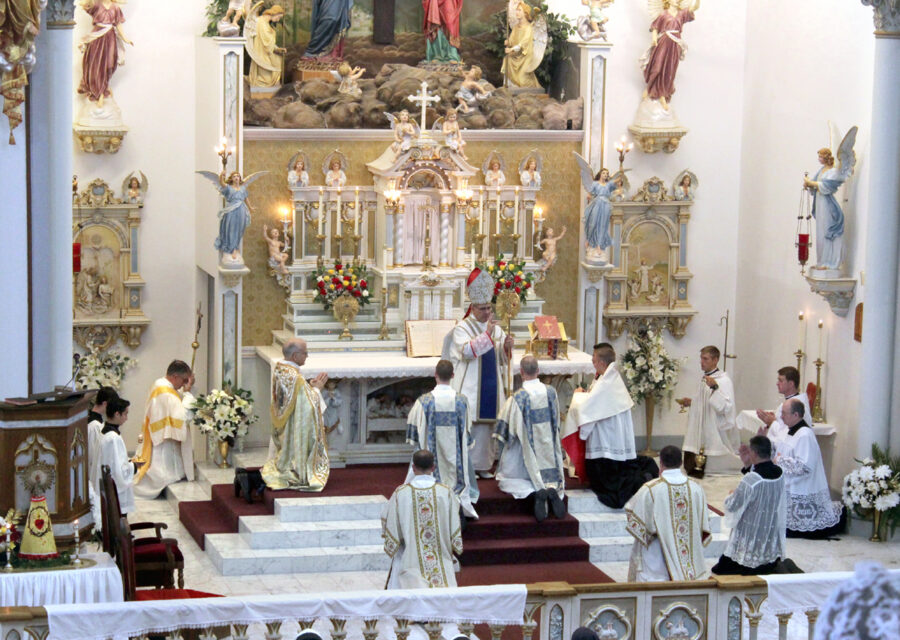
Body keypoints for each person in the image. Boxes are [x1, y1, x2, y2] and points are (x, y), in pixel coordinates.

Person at [563, 343, 657, 508]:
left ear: (601, 362)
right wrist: (586, 396)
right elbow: (595, 401)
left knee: (605, 482)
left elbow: (587, 407)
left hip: (606, 442)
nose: (592, 362)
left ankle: (641, 480)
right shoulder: (608, 377)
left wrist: (578, 396)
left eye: (594, 359)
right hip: (610, 436)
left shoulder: (607, 382)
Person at [442, 267, 514, 478]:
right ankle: (468, 466)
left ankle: (484, 466)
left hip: (491, 385)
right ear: (472, 308)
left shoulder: (494, 327)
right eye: (483, 309)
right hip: (470, 386)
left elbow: (501, 356)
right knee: (472, 427)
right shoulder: (462, 328)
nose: (487, 313)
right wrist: (489, 335)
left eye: (489, 309)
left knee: (488, 428)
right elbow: (467, 351)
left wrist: (507, 347)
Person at [494, 355, 565, 522]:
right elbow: (556, 420)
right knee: (550, 465)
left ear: (521, 372)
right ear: (538, 371)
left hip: (527, 455)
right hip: (548, 449)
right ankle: (552, 489)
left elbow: (507, 430)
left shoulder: (518, 397)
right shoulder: (551, 392)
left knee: (509, 479)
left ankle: (536, 491)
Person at [625, 445, 711, 581]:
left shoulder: (650, 489)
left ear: (661, 462)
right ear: (681, 463)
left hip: (658, 567)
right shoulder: (696, 488)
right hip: (690, 563)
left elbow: (634, 518)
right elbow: (704, 524)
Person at [406, 360, 478, 517]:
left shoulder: (424, 401)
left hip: (430, 461)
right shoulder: (462, 401)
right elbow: (467, 430)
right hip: (456, 461)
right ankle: (458, 506)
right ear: (453, 375)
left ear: (435, 375)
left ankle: (435, 509)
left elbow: (413, 431)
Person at [382, 449, 463, 589]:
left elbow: (388, 520)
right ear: (433, 467)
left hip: (410, 558)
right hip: (440, 557)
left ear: (413, 468)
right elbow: (455, 524)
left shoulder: (401, 493)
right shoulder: (446, 492)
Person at [711, 436, 786, 576]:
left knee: (719, 569)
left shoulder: (752, 479)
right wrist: (747, 464)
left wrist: (730, 495)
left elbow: (733, 505)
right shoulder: (780, 472)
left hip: (751, 532)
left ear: (754, 453)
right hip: (768, 532)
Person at [262, 339, 330, 491]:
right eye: (305, 353)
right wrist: (318, 389)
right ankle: (296, 471)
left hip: (285, 423)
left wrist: (308, 386)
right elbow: (308, 406)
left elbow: (294, 395)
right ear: (294, 356)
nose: (307, 355)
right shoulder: (296, 377)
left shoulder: (282, 369)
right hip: (294, 427)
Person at [775, 398, 844, 538]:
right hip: (789, 485)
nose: (781, 416)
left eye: (784, 413)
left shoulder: (805, 434)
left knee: (796, 528)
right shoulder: (791, 431)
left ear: (796, 415)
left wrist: (779, 460)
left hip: (802, 486)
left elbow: (804, 467)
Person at [133, 361, 195, 499]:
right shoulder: (165, 392)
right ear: (174, 376)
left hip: (157, 434)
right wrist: (189, 395)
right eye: (184, 380)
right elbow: (183, 417)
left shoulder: (160, 384)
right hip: (162, 441)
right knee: (161, 471)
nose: (184, 384)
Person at [680, 345, 740, 477]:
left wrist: (715, 388)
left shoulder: (723, 381)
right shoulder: (705, 378)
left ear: (715, 360)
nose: (702, 362)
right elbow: (703, 402)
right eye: (701, 358)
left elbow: (725, 406)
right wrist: (691, 402)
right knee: (690, 465)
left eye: (705, 359)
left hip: (714, 427)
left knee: (713, 460)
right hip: (701, 427)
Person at [639, 0, 700, 110]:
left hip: (674, 44)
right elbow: (655, 28)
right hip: (663, 42)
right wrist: (654, 40)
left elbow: (694, 8)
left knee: (670, 70)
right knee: (657, 67)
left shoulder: (681, 14)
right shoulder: (663, 14)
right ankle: (650, 88)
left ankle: (663, 94)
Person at [77, 0, 133, 108]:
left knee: (109, 63)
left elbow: (118, 24)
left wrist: (125, 39)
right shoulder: (97, 5)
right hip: (97, 37)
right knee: (96, 64)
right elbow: (84, 5)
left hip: (110, 37)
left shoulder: (115, 8)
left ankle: (104, 86)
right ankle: (100, 93)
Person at [804, 147, 848, 270]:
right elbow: (814, 184)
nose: (819, 159)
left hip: (827, 206)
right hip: (820, 204)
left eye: (820, 157)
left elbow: (829, 187)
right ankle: (821, 261)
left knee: (827, 231)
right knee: (820, 232)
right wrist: (808, 184)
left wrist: (812, 183)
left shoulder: (833, 172)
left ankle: (829, 262)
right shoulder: (821, 170)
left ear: (826, 157)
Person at [100, 397, 140, 515]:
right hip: (116, 490)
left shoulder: (104, 431)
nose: (127, 418)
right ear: (117, 414)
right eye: (125, 414)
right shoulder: (113, 438)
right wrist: (135, 466)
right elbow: (119, 470)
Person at [756, 365, 812, 447]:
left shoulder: (798, 406)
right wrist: (774, 420)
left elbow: (788, 434)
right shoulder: (789, 402)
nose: (777, 383)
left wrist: (772, 422)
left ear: (791, 384)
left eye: (781, 381)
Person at [88, 386, 119, 528]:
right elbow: (94, 456)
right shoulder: (94, 426)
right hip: (93, 473)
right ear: (105, 404)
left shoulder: (95, 421)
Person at [214, 171, 255, 261]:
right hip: (231, 210)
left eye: (238, 176)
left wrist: (250, 207)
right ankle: (231, 249)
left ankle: (235, 247)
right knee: (231, 228)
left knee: (239, 229)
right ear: (232, 179)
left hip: (241, 210)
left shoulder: (243, 189)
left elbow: (246, 198)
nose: (236, 178)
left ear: (240, 178)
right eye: (234, 176)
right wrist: (221, 176)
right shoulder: (228, 188)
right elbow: (222, 183)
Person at [581, 167, 621, 256]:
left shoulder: (608, 184)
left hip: (606, 205)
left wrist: (620, 174)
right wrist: (589, 195)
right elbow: (590, 192)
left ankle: (599, 245)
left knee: (603, 226)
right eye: (604, 173)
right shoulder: (595, 184)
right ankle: (589, 239)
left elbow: (617, 182)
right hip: (597, 203)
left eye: (607, 174)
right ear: (600, 174)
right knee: (593, 222)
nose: (605, 175)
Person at [502, 2, 542, 89]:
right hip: (516, 54)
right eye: (516, 10)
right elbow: (512, 40)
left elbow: (523, 44)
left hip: (525, 55)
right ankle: (510, 86)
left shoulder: (529, 28)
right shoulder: (516, 27)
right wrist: (508, 42)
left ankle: (529, 88)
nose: (517, 12)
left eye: (519, 10)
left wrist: (511, 49)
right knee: (507, 59)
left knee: (522, 80)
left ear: (525, 13)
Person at [246, 4, 285, 88]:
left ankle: (272, 84)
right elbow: (267, 42)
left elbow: (268, 42)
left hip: (265, 51)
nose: (278, 20)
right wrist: (273, 33)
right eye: (278, 17)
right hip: (262, 53)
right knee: (267, 77)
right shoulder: (262, 23)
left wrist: (277, 49)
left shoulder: (265, 23)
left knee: (278, 60)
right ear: (274, 13)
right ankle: (264, 86)